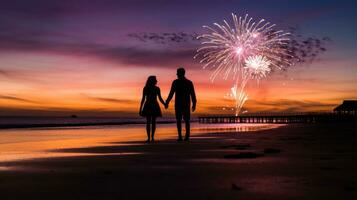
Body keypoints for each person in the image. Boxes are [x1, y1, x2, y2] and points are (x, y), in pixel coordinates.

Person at [165, 68, 196, 141]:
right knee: (185, 120)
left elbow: (171, 93)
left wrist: (167, 102)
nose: (177, 75)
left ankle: (182, 136)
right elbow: (193, 95)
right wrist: (194, 103)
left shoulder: (177, 82)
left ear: (181, 73)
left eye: (178, 73)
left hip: (180, 103)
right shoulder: (188, 82)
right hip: (185, 103)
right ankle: (185, 136)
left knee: (181, 120)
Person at [139, 76, 166, 142]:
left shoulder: (148, 88)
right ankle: (151, 137)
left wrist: (164, 104)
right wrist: (165, 104)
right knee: (152, 122)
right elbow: (143, 99)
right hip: (152, 105)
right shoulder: (152, 88)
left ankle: (150, 138)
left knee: (149, 122)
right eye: (155, 80)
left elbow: (159, 98)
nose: (155, 81)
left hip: (150, 105)